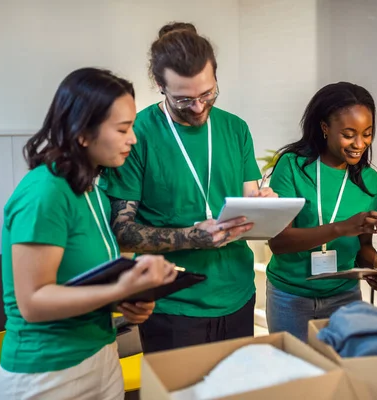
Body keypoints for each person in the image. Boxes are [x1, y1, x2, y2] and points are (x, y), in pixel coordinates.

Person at [0, 68, 178, 400]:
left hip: (101, 354)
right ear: (82, 133)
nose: (133, 138)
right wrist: (119, 290)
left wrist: (128, 299)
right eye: (122, 129)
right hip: (46, 372)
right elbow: (33, 303)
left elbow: (85, 281)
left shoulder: (90, 188)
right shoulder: (44, 192)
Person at [103, 22, 277, 353]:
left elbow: (248, 200)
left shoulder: (235, 129)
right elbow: (120, 231)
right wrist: (191, 238)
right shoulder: (137, 134)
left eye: (207, 94)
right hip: (171, 304)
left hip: (237, 294)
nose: (198, 108)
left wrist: (264, 205)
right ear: (159, 85)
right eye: (184, 99)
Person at [265, 82, 377, 342]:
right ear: (325, 128)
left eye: (367, 133)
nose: (360, 144)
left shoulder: (368, 178)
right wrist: (340, 228)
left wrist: (375, 270)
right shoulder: (292, 166)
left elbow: (363, 247)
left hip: (344, 298)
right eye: (349, 134)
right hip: (291, 297)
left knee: (339, 376)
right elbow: (279, 242)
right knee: (296, 375)